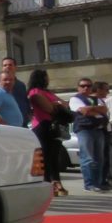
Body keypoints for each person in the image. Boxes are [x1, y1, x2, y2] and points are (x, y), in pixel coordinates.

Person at [26, 69, 68, 197]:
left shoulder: (47, 92)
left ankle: (56, 182)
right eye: (46, 76)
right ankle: (47, 183)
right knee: (45, 156)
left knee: (54, 155)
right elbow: (48, 108)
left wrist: (57, 104)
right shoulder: (35, 92)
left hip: (53, 126)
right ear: (41, 78)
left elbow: (66, 104)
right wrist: (57, 105)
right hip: (42, 126)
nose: (48, 79)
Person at [70, 77, 109, 193]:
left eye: (88, 85)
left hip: (98, 130)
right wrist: (96, 110)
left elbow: (104, 110)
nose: (86, 88)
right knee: (88, 158)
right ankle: (89, 184)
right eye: (83, 86)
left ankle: (98, 183)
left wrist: (91, 108)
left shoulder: (96, 99)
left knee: (100, 158)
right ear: (78, 88)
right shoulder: (75, 99)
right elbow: (84, 111)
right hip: (84, 130)